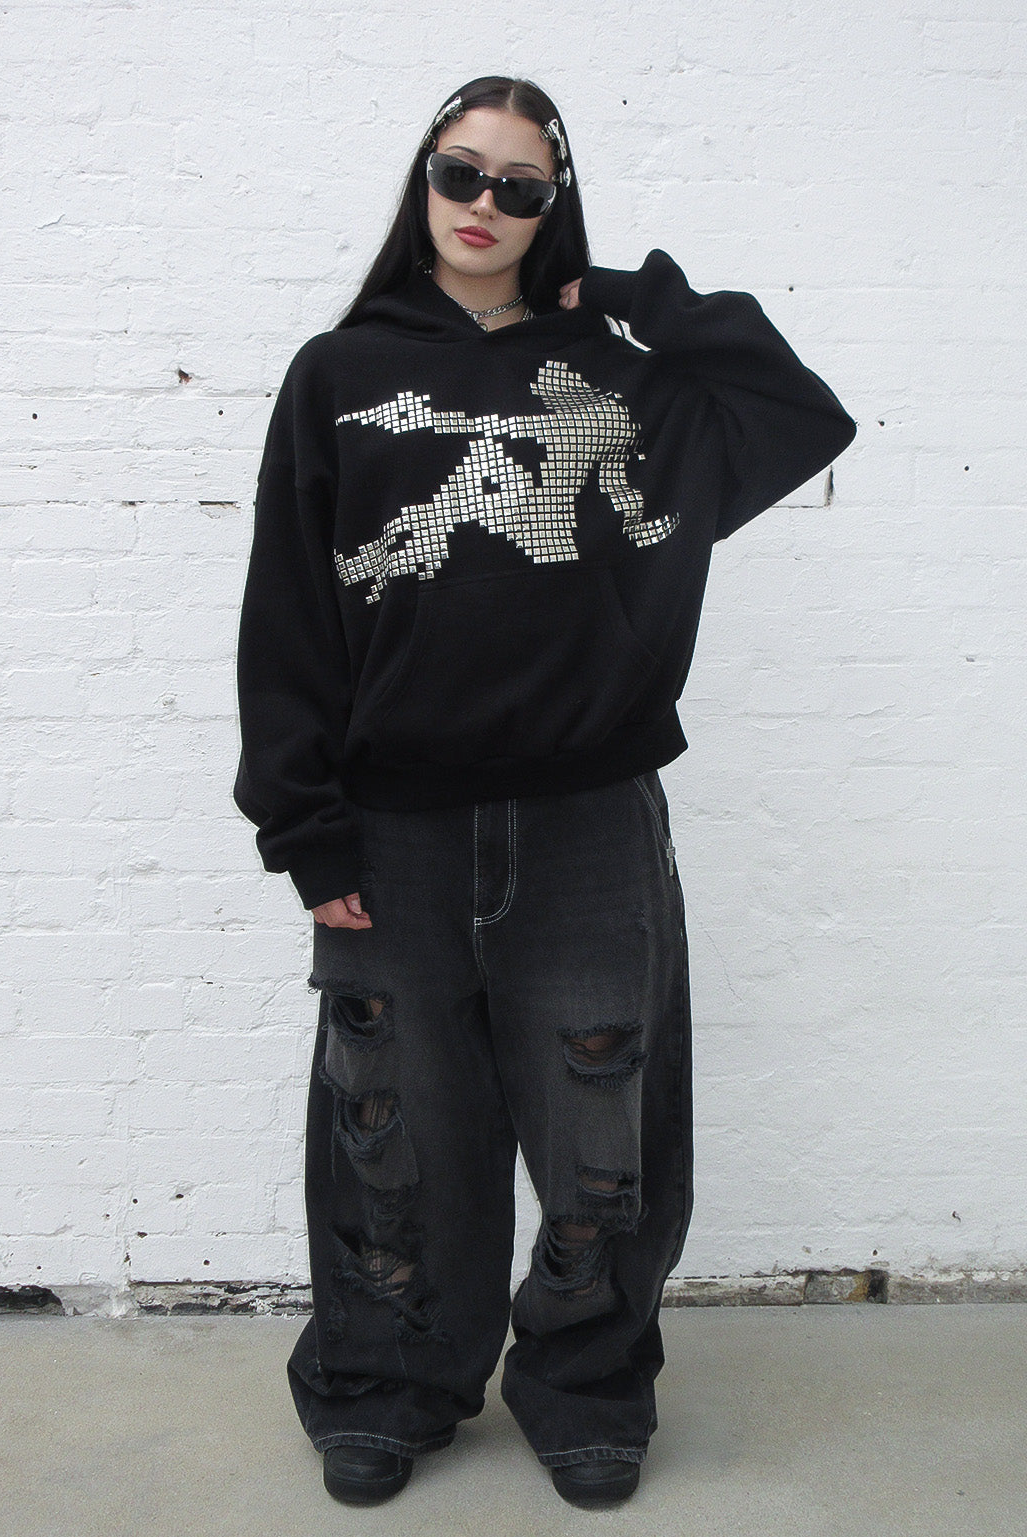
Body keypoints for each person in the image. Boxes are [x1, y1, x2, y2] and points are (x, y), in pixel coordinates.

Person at [233, 74, 856, 1510]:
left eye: (520, 186)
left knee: (601, 1124)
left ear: (552, 205)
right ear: (424, 179)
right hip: (390, 826)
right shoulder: (338, 373)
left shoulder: (623, 379)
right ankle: (389, 1382)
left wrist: (630, 295)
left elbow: (797, 413)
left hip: (588, 822)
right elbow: (289, 611)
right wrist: (305, 822)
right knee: (394, 1123)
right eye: (461, 173)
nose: (483, 206)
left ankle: (586, 1383)